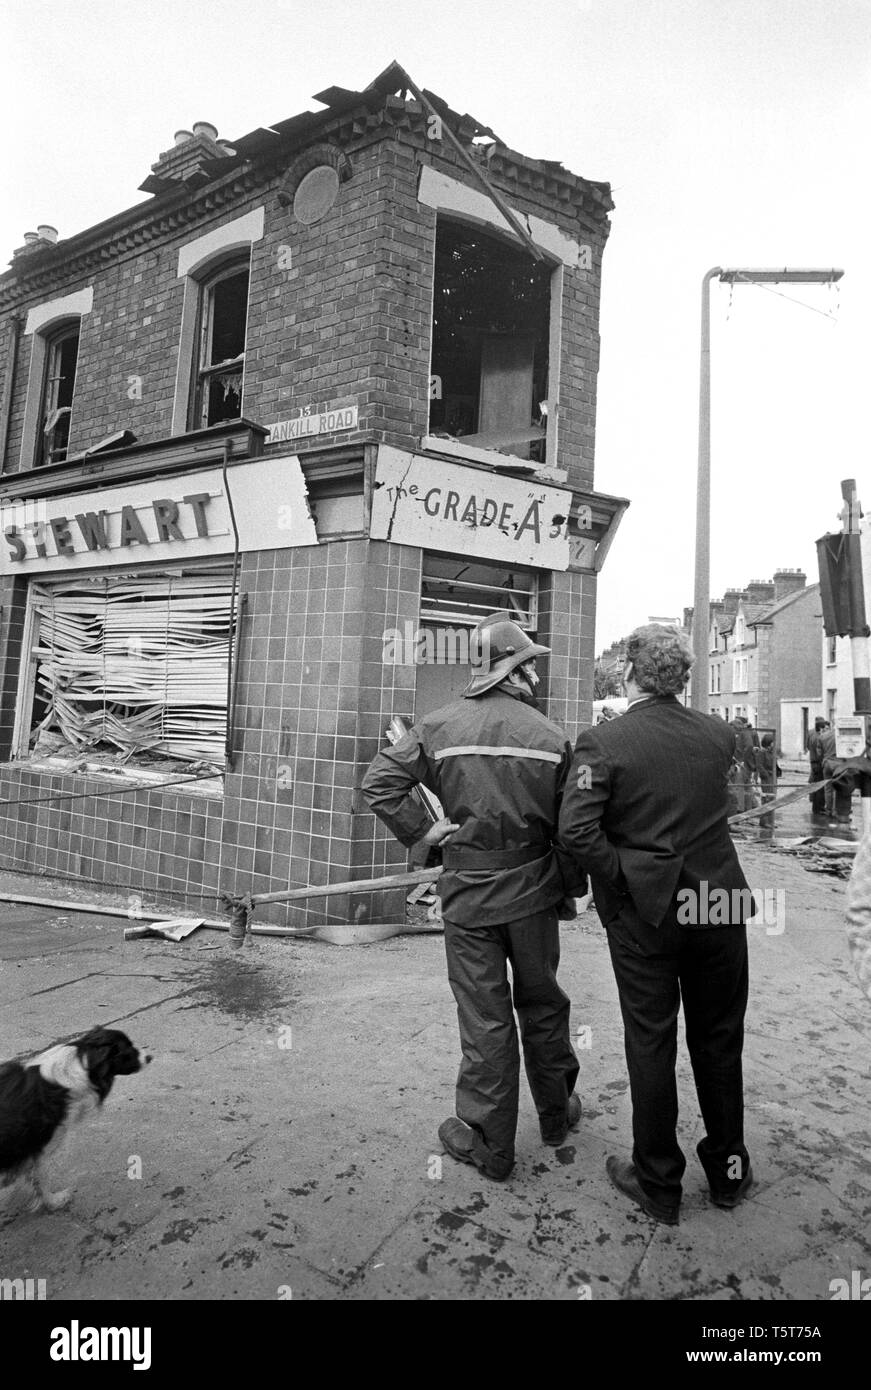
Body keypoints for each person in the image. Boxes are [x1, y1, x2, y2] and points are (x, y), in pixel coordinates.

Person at [361, 613, 586, 1182]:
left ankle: (489, 1142)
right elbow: (573, 829)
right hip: (533, 895)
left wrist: (421, 832)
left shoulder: (438, 727)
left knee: (485, 1016)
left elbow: (379, 782)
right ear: (515, 671)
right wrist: (569, 891)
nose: (533, 674)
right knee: (543, 1004)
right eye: (529, 665)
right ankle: (557, 1114)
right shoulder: (552, 738)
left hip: (468, 898)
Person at [557, 624, 755, 1225]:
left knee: (651, 1039)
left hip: (650, 914)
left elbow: (575, 831)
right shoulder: (721, 734)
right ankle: (728, 1172)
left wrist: (625, 874)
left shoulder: (602, 744)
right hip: (718, 904)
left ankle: (659, 1183)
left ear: (629, 672)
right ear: (683, 677)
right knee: (720, 1038)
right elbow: (733, 806)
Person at [753, 734, 781, 833]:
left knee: (772, 799)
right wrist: (765, 774)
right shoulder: (762, 752)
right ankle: (764, 821)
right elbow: (759, 765)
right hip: (767, 779)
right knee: (767, 799)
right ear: (769, 742)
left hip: (773, 778)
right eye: (773, 742)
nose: (774, 744)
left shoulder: (772, 752)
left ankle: (770, 820)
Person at [807, 718, 828, 817]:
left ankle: (816, 808)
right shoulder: (818, 738)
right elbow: (820, 753)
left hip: (814, 762)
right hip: (818, 763)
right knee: (820, 787)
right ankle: (819, 808)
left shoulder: (812, 735)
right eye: (824, 728)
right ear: (820, 728)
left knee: (816, 786)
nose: (825, 730)